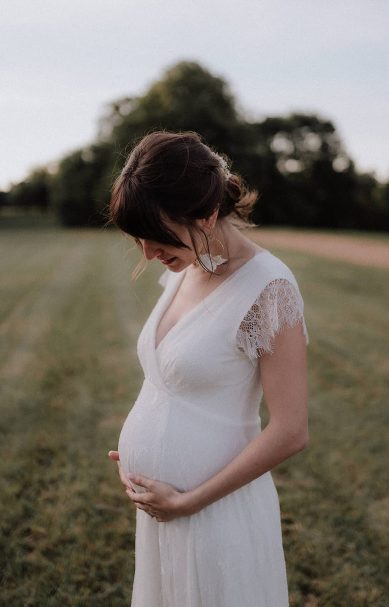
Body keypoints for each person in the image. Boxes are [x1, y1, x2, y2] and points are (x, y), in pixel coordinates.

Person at [107, 130, 309, 607]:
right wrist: (137, 451)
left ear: (207, 215)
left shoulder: (269, 287)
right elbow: (169, 381)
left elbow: (291, 430)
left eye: (157, 238)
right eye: (139, 239)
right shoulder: (189, 267)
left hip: (215, 513)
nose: (148, 253)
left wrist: (187, 501)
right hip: (162, 512)